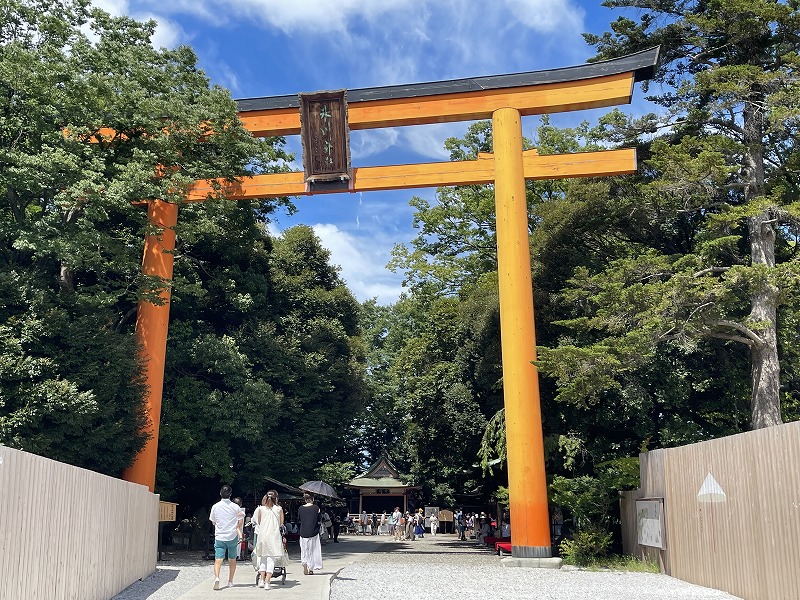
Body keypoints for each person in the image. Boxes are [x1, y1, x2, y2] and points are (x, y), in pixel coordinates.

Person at [209, 485, 244, 590]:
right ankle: (230, 581)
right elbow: (240, 520)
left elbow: (213, 521)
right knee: (232, 559)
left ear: (220, 493)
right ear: (230, 494)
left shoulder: (215, 506)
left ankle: (217, 578)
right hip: (232, 535)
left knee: (218, 559)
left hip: (220, 535)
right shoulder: (235, 507)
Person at [252, 490, 285, 589]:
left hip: (262, 536)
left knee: (263, 559)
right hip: (273, 536)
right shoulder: (279, 509)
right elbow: (281, 523)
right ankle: (267, 581)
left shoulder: (261, 509)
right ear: (276, 499)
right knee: (271, 560)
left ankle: (261, 580)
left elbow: (259, 522)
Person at [297, 492, 323, 575]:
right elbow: (319, 519)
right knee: (313, 550)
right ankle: (311, 568)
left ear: (305, 499)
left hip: (303, 531)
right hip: (313, 531)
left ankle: (304, 563)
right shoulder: (316, 508)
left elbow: (299, 519)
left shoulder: (300, 508)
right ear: (313, 499)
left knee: (304, 549)